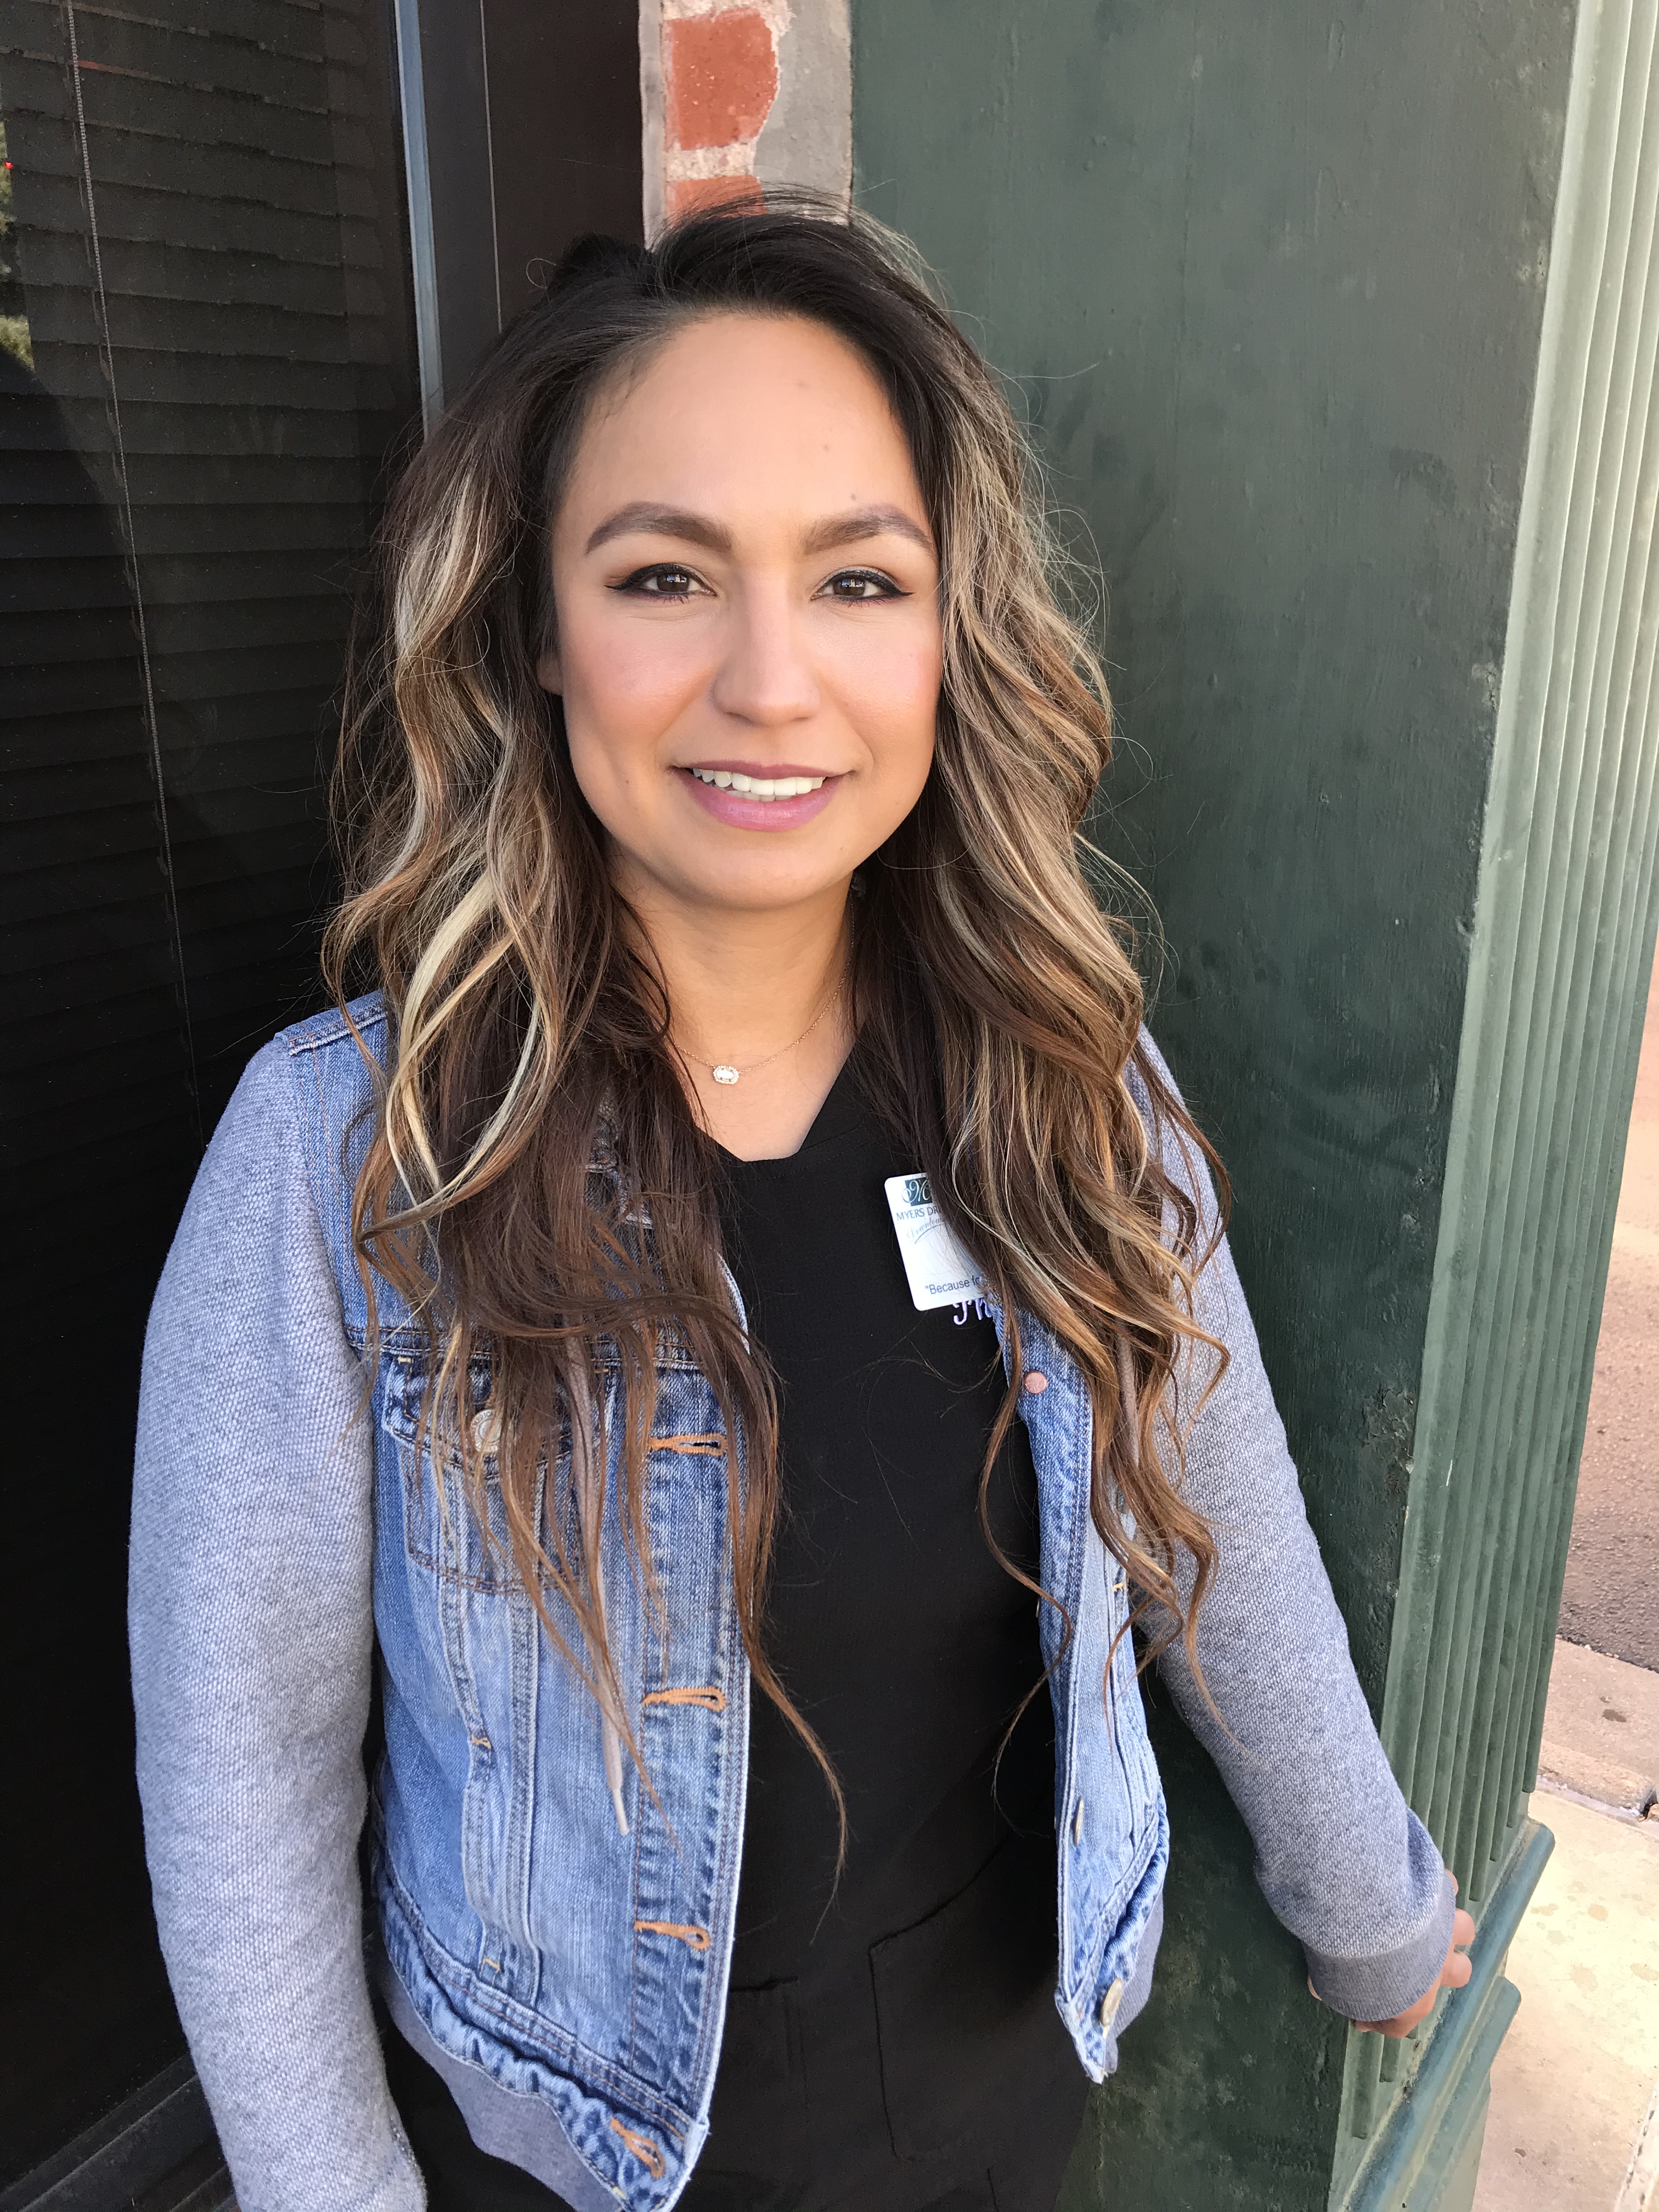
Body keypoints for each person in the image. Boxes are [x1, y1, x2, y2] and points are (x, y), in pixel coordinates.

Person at [129, 201, 1472, 2212]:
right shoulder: (348, 1165)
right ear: (535, 632)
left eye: (857, 579)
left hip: (1007, 2110)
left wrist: (1369, 1903)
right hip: (567, 2170)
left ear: (946, 636)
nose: (772, 682)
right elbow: (242, 1779)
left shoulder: (1065, 1081)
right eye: (664, 576)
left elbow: (1216, 1523)